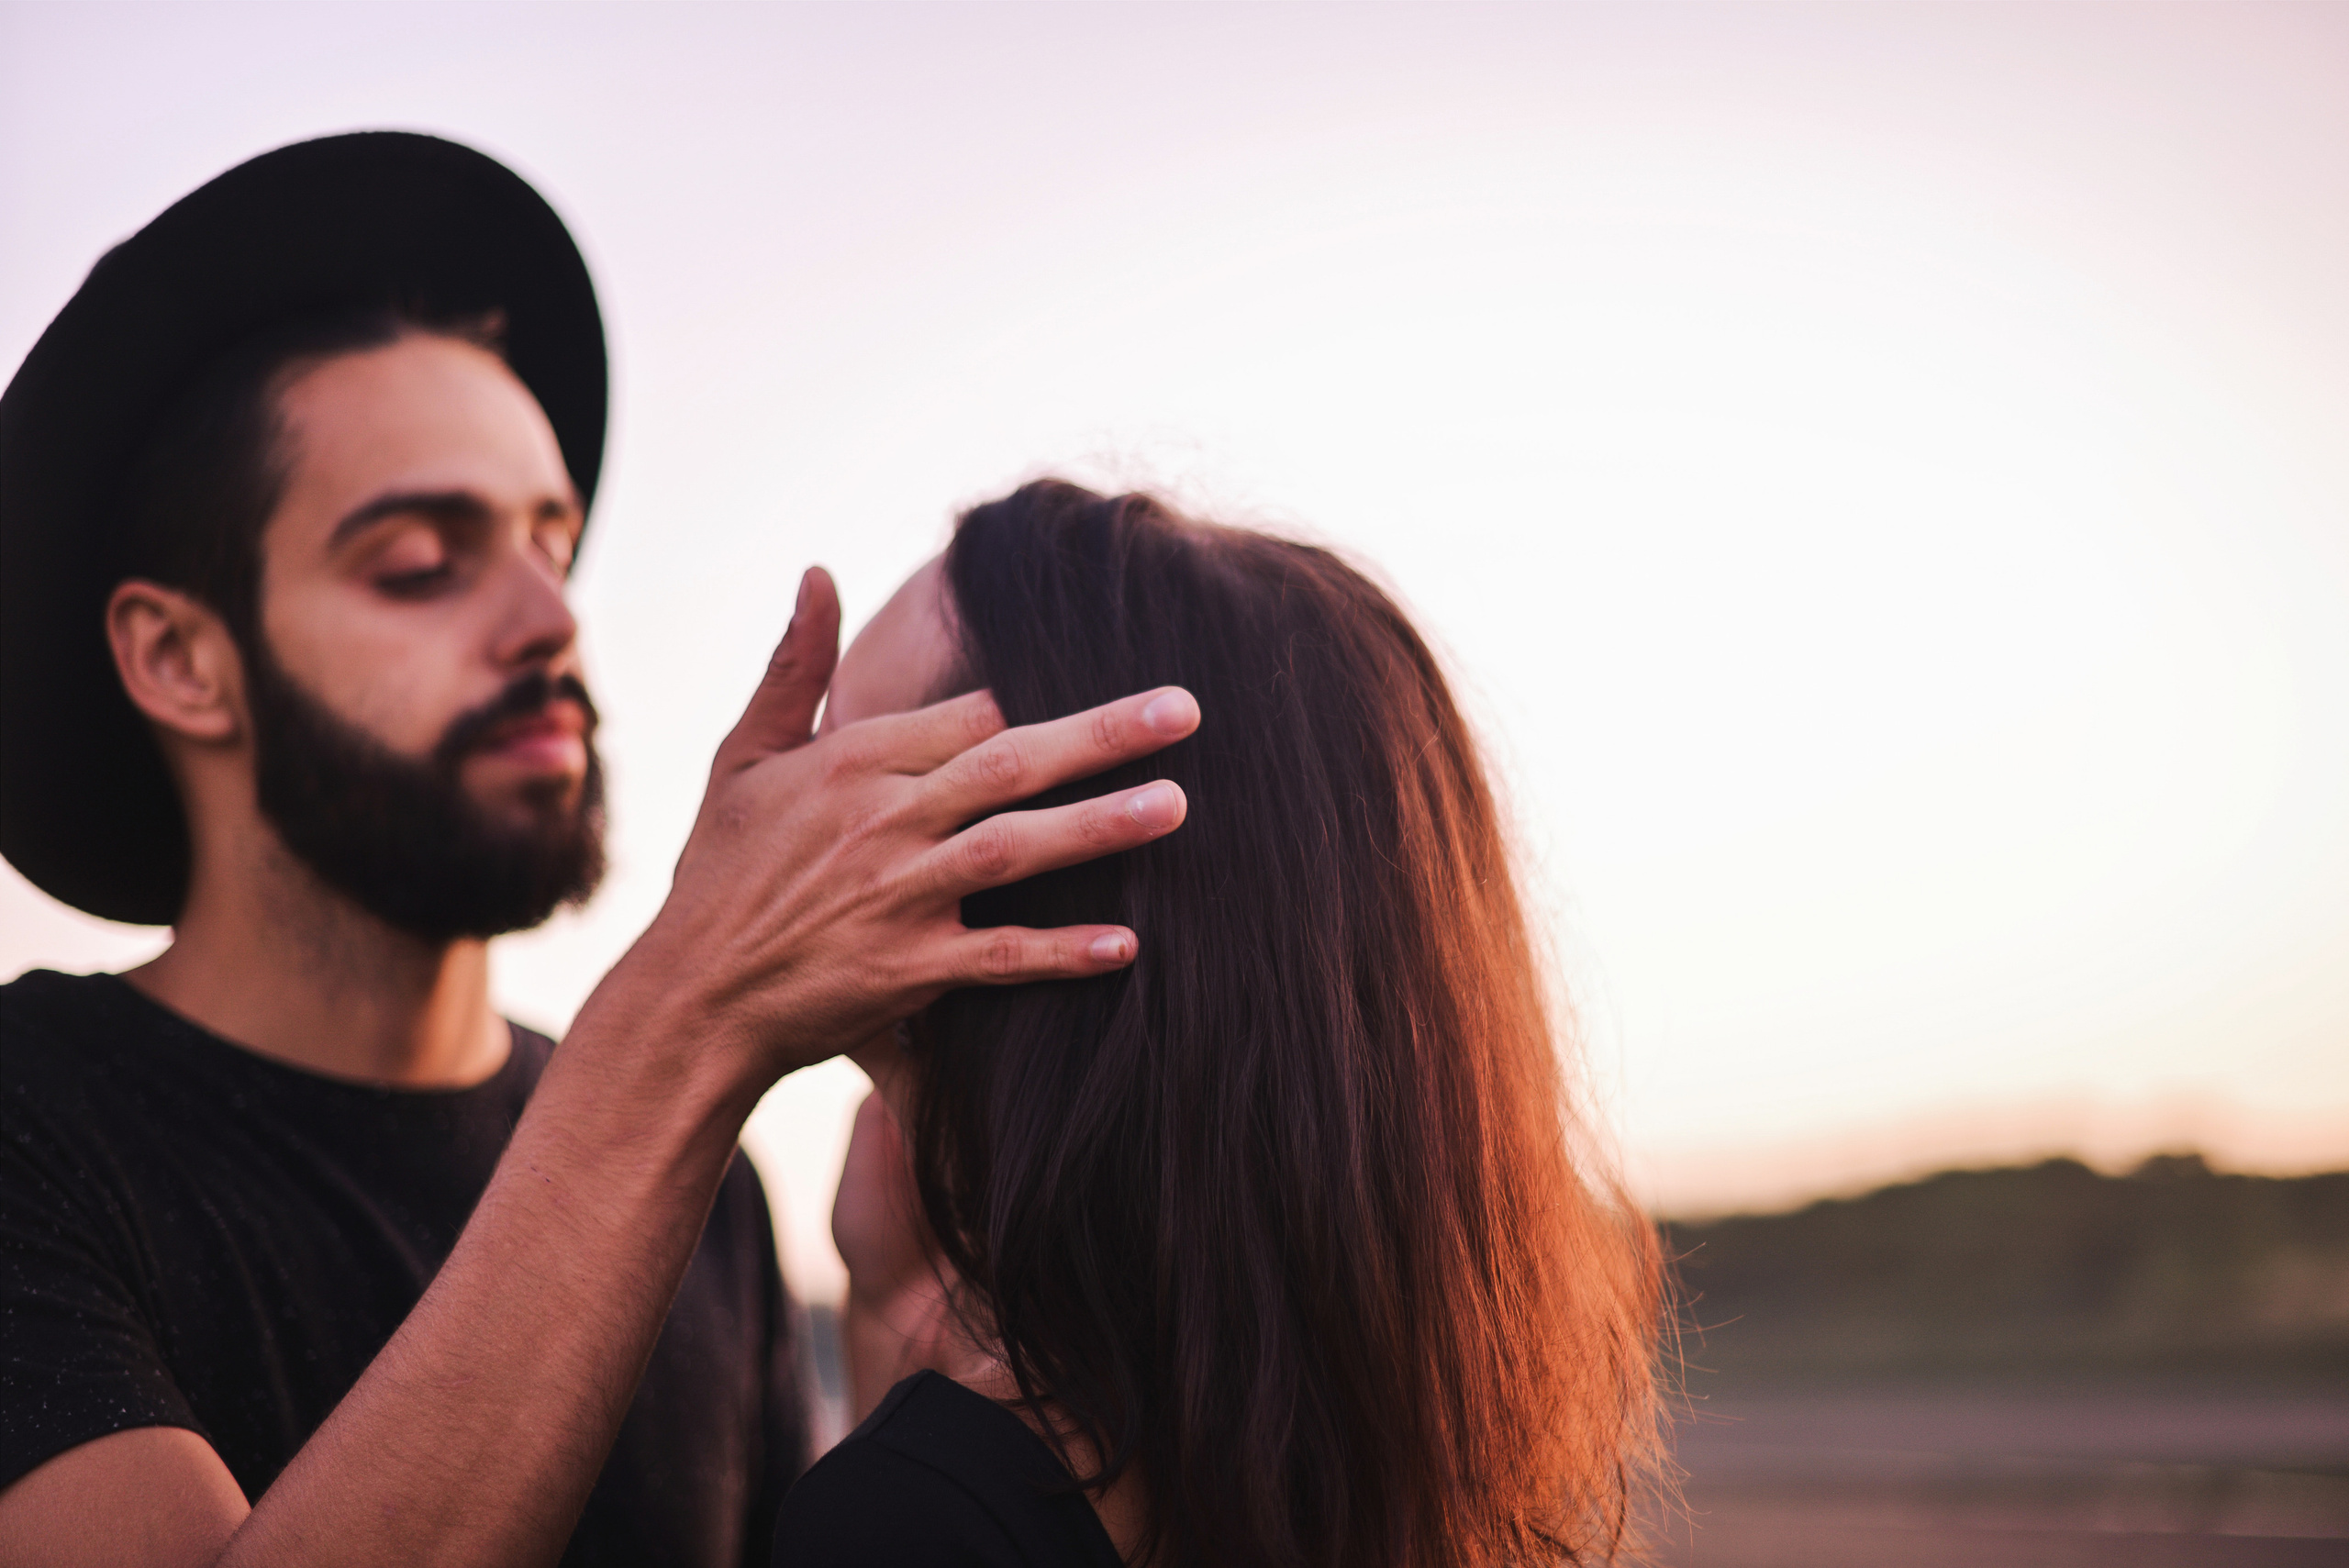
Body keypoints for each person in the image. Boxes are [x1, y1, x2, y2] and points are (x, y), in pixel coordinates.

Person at [0, 136, 1200, 1568]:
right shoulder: (32, 1127)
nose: (550, 621)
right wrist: (687, 1011)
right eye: (420, 565)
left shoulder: (715, 1201)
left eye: (550, 545)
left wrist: (914, 1368)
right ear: (180, 660)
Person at [776, 482, 1667, 1568]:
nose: (778, 804)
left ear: (1038, 860)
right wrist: (890, 1311)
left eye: (846, 762)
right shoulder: (1378, 1465)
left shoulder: (907, 1522)